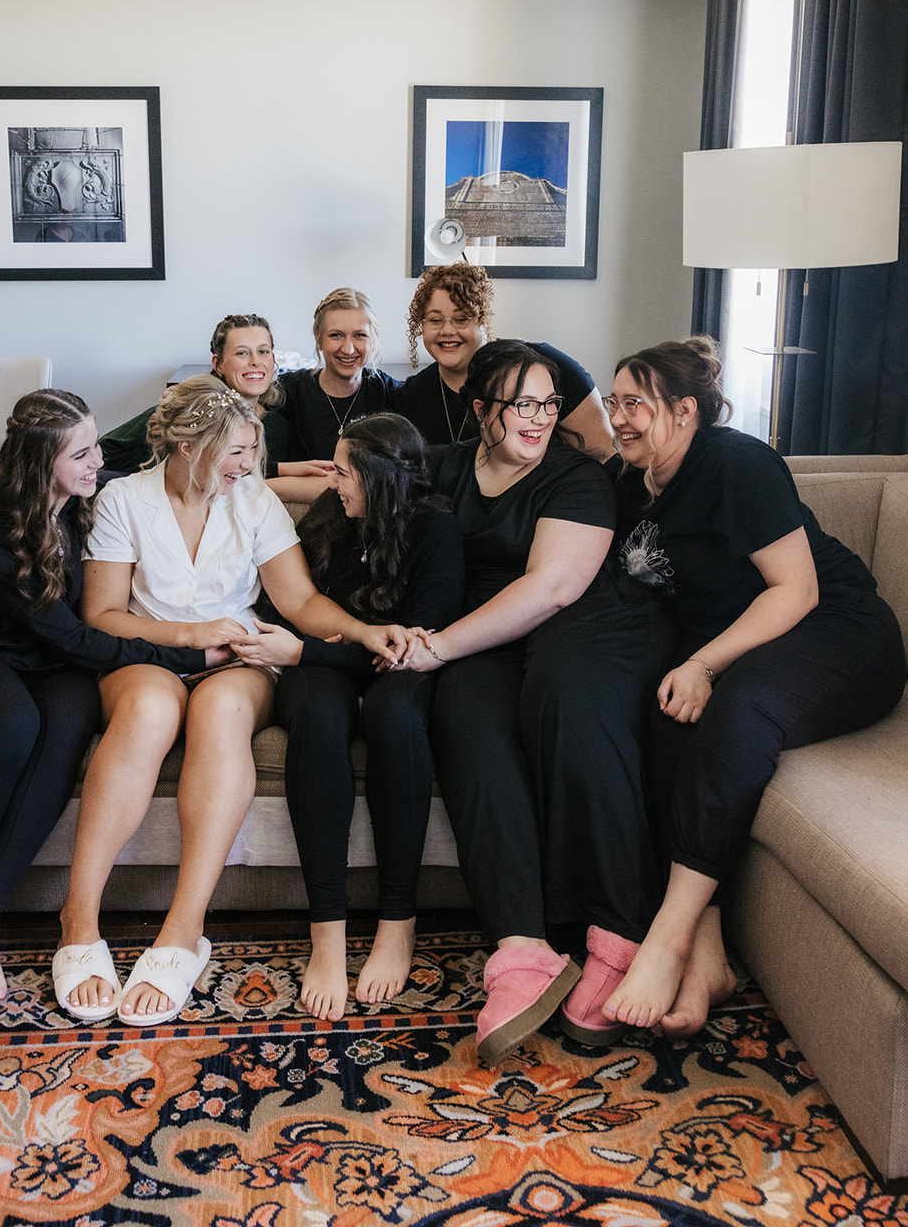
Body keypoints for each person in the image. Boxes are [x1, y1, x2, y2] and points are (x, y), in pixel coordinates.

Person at [56, 376, 410, 1026]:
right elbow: (103, 615)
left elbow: (299, 602)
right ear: (189, 446)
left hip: (234, 661)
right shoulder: (123, 501)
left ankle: (181, 932)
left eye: (253, 449)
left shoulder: (252, 502)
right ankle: (78, 919)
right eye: (237, 451)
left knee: (220, 714)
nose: (250, 466)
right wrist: (185, 635)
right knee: (149, 712)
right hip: (147, 656)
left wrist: (362, 632)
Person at [601, 338, 905, 1037]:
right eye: (613, 402)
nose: (619, 418)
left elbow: (794, 590)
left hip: (837, 631)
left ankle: (668, 939)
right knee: (661, 714)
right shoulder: (631, 481)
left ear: (683, 411)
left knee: (736, 711)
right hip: (748, 640)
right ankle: (708, 953)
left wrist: (705, 663)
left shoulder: (735, 464)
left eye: (634, 405)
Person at [401, 341, 670, 1063]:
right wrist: (259, 481)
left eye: (549, 402)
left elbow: (551, 586)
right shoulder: (444, 463)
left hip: (569, 624)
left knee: (569, 715)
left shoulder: (575, 477)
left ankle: (613, 931)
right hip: (477, 640)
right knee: (464, 726)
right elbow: (360, 479)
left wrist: (435, 647)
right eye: (521, 402)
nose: (539, 417)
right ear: (481, 408)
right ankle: (521, 950)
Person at [0, 388, 216, 1025]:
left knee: (63, 733)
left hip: (63, 673)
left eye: (95, 446)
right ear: (41, 463)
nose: (99, 462)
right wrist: (194, 659)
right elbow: (73, 636)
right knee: (12, 728)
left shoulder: (97, 499)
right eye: (82, 454)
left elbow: (180, 472)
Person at [232, 414, 465, 1020]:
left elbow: (414, 646)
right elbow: (303, 607)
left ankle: (397, 921)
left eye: (343, 470)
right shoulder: (331, 517)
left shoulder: (436, 529)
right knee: (315, 714)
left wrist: (311, 651)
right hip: (326, 664)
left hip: (403, 670)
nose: (331, 481)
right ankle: (327, 930)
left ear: (382, 476)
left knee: (395, 716)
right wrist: (312, 652)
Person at [395, 263, 613, 457]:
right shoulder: (413, 395)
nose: (447, 330)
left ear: (483, 321)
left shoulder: (545, 365)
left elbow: (604, 452)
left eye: (461, 319)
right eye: (435, 320)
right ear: (421, 326)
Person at [98, 313, 331, 490]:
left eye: (263, 351)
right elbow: (105, 453)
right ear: (218, 364)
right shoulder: (190, 411)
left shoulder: (278, 425)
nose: (255, 361)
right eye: (242, 353)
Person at [276, 289, 400, 478]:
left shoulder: (389, 393)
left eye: (359, 335)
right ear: (318, 337)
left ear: (373, 339)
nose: (348, 349)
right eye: (336, 335)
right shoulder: (289, 390)